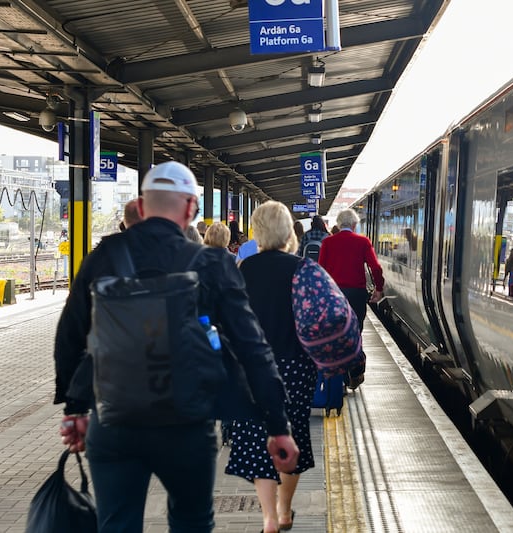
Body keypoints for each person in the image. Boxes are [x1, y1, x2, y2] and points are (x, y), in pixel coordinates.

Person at [53, 161, 299, 533]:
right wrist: (278, 425)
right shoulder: (209, 262)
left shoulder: (105, 254)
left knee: (115, 524)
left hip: (115, 421)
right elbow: (252, 348)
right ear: (190, 209)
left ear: (142, 205)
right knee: (191, 522)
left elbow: (70, 336)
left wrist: (75, 409)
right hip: (187, 425)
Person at [225, 201, 317, 533]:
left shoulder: (243, 269)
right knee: (292, 433)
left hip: (253, 367)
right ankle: (284, 509)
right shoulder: (303, 268)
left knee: (255, 438)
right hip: (296, 366)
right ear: (289, 231)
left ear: (258, 231)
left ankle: (268, 517)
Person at [318, 208, 384, 331]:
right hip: (357, 294)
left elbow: (320, 270)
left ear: (339, 224)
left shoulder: (327, 242)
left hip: (334, 293)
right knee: (356, 327)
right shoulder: (363, 242)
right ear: (354, 224)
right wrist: (379, 288)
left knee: (335, 329)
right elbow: (376, 268)